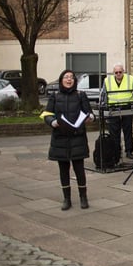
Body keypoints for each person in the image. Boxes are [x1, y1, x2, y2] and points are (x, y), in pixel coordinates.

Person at [42, 70, 95, 211]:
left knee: (79, 169)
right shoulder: (54, 96)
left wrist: (90, 118)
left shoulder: (80, 95)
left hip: (77, 136)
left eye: (71, 77)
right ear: (61, 80)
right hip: (61, 137)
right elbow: (47, 114)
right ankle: (67, 199)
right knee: (63, 170)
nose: (69, 79)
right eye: (66, 77)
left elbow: (89, 112)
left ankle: (83, 197)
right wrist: (52, 122)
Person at [101, 63, 133, 159]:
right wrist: (105, 105)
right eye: (116, 72)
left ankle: (129, 151)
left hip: (127, 107)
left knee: (128, 130)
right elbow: (104, 94)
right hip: (113, 108)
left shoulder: (130, 79)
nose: (118, 74)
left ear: (123, 71)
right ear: (113, 73)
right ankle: (116, 152)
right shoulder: (107, 80)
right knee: (114, 132)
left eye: (120, 72)